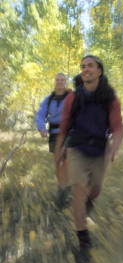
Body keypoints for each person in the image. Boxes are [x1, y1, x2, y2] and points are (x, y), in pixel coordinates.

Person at [55, 56, 123, 263]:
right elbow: (64, 127)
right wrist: (58, 152)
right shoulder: (72, 99)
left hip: (99, 150)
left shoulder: (110, 98)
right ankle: (84, 243)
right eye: (83, 67)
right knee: (78, 191)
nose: (85, 69)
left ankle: (88, 202)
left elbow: (118, 127)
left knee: (95, 190)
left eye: (90, 66)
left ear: (99, 71)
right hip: (76, 148)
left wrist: (114, 147)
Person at [36, 73, 72, 208]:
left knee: (66, 163)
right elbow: (40, 115)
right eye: (58, 80)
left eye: (63, 80)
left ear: (66, 82)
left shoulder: (71, 97)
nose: (60, 82)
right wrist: (41, 128)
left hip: (69, 134)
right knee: (57, 164)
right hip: (53, 134)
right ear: (55, 82)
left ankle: (63, 192)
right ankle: (63, 186)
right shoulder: (48, 100)